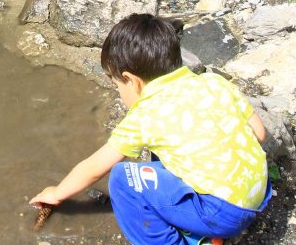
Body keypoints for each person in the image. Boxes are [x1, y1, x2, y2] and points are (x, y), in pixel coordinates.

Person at [30, 14, 271, 245]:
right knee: (170, 149)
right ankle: (201, 228)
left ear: (132, 80)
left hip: (220, 213)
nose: (119, 93)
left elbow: (95, 168)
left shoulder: (146, 115)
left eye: (117, 86)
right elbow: (259, 134)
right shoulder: (214, 83)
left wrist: (58, 192)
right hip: (257, 195)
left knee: (123, 179)